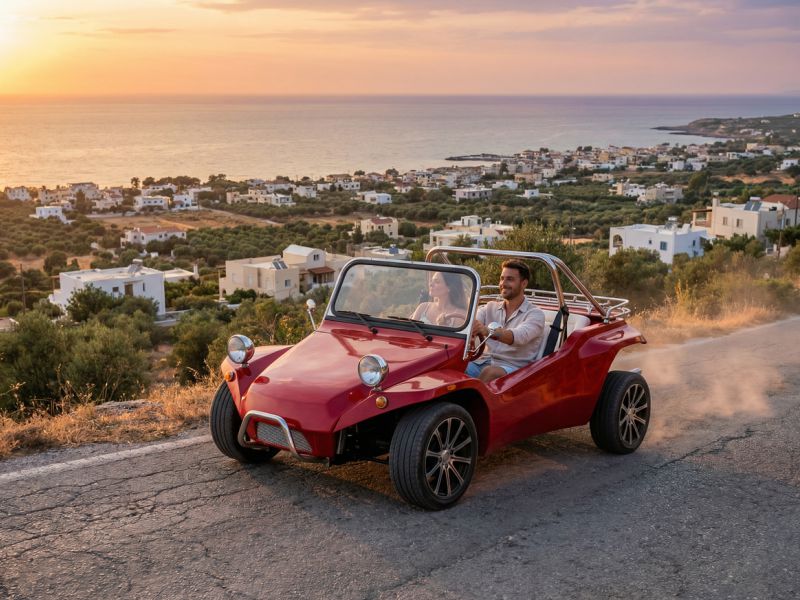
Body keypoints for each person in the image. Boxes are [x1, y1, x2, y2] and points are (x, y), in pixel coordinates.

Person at [466, 260, 545, 382]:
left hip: (515, 369)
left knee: (490, 373)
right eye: (502, 278)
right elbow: (473, 322)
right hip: (484, 361)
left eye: (510, 279)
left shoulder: (535, 314)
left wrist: (487, 331)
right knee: (454, 365)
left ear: (524, 283)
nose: (503, 283)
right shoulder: (489, 307)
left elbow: (518, 337)